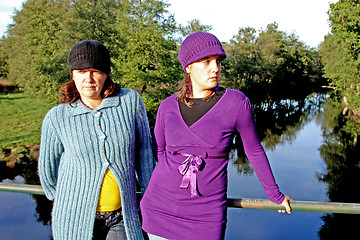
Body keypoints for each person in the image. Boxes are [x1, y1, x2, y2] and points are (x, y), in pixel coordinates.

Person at [140, 31, 293, 240]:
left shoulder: (236, 103)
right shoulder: (167, 107)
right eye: (206, 61)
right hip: (160, 208)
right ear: (188, 67)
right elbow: (159, 152)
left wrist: (274, 194)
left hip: (206, 215)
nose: (215, 68)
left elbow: (253, 150)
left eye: (218, 61)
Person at [38, 40, 155, 240]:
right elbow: (47, 171)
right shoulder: (57, 117)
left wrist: (148, 192)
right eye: (82, 71)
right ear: (72, 74)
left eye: (96, 71)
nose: (89, 79)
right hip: (74, 219)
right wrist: (67, 200)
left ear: (106, 73)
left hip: (122, 217)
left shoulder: (129, 102)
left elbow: (144, 151)